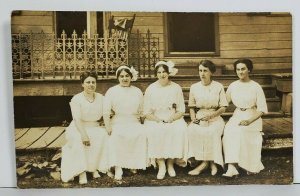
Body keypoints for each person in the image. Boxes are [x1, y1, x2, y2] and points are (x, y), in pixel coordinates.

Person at [61, 71, 109, 184]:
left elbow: (107, 112)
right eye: (88, 82)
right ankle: (82, 172)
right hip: (79, 127)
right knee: (80, 140)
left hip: (95, 126)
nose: (91, 84)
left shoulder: (101, 98)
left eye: (93, 82)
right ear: (82, 84)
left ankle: (94, 168)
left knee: (102, 136)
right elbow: (77, 119)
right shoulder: (76, 99)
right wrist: (83, 134)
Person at [222, 58, 268, 177]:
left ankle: (243, 164)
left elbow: (262, 109)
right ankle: (232, 167)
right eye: (238, 69)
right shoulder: (233, 85)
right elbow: (224, 103)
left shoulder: (256, 86)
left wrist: (249, 121)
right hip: (238, 115)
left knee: (241, 131)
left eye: (243, 69)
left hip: (252, 116)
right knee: (229, 131)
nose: (240, 72)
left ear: (249, 70)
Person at [143, 60, 188, 180]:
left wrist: (171, 119)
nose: (162, 74)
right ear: (156, 74)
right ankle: (161, 163)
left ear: (169, 73)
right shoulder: (151, 88)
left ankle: (170, 163)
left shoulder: (176, 88)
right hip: (155, 118)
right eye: (159, 72)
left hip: (173, 118)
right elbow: (146, 112)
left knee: (179, 129)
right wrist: (157, 119)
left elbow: (181, 110)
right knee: (155, 130)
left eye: (164, 72)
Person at [103, 65, 148, 180]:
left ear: (131, 77)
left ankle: (133, 165)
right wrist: (108, 126)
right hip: (118, 121)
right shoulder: (112, 91)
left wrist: (143, 123)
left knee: (140, 134)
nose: (124, 78)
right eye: (122, 76)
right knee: (117, 135)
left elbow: (142, 110)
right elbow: (106, 111)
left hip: (133, 121)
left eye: (127, 76)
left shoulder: (137, 91)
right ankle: (118, 167)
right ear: (118, 78)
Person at [187, 60, 228, 176]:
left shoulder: (218, 86)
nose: (202, 73)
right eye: (200, 71)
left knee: (212, 131)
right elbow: (191, 106)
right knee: (191, 129)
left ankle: (209, 164)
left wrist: (212, 115)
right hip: (200, 116)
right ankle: (206, 163)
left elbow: (223, 107)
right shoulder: (194, 87)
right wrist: (193, 118)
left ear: (211, 73)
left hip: (215, 117)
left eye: (205, 71)